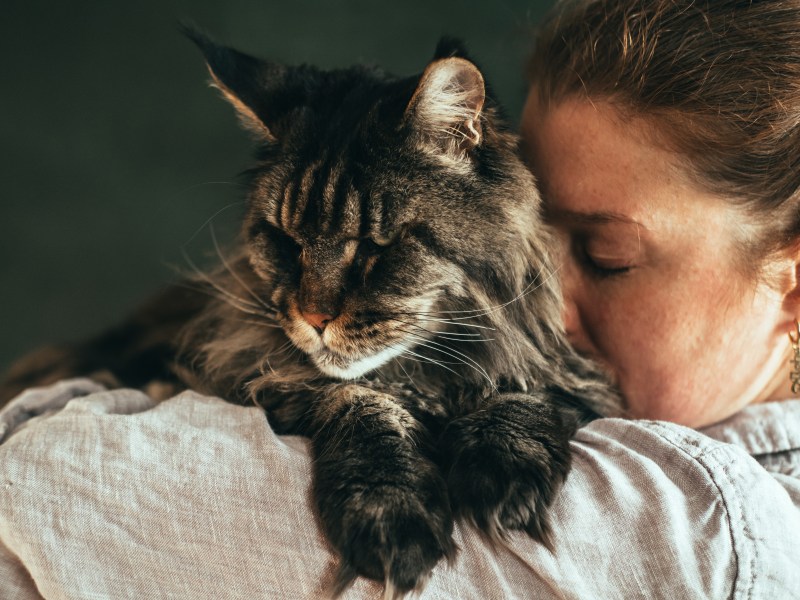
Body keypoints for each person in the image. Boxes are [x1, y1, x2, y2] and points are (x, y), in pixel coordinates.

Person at [0, 1, 798, 599]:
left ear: (791, 293)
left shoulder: (690, 529)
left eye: (604, 254)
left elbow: (39, 479)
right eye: (537, 241)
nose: (538, 303)